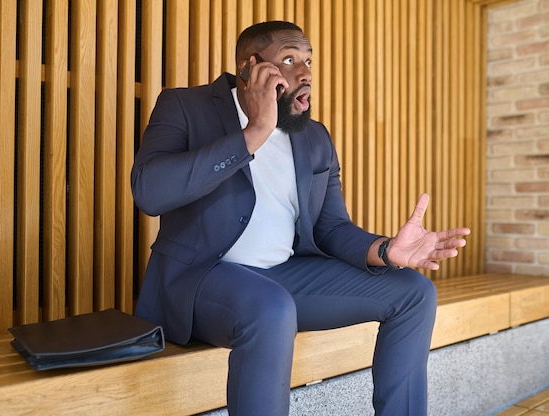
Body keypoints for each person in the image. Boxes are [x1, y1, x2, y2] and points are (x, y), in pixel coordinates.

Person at [131, 20, 470, 416]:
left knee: (414, 292)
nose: (305, 72)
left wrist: (386, 249)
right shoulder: (185, 106)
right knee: (270, 306)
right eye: (289, 59)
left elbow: (331, 228)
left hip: (283, 277)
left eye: (308, 60)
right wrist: (255, 131)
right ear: (249, 68)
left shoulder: (315, 137)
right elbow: (149, 193)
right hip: (201, 279)